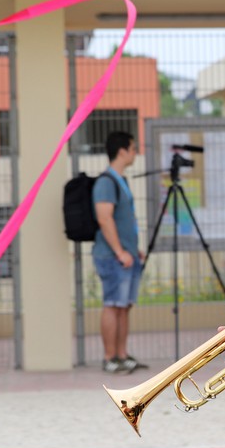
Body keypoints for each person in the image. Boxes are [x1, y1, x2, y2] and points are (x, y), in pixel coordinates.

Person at [93, 130, 147, 374]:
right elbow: (104, 218)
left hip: (127, 255)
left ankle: (122, 355)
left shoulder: (121, 180)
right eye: (133, 148)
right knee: (113, 304)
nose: (135, 153)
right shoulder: (106, 182)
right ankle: (109, 357)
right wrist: (119, 251)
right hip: (113, 257)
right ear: (122, 151)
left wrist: (133, 250)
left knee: (124, 306)